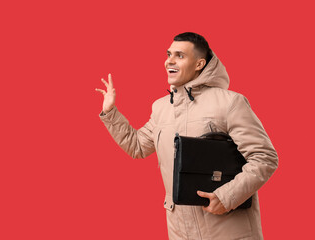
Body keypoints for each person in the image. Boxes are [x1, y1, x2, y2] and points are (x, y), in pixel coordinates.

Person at [95, 32, 278, 240]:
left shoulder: (230, 103)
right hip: (180, 232)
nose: (169, 61)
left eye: (180, 55)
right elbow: (137, 146)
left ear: (199, 64)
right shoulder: (161, 107)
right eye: (168, 54)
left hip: (228, 231)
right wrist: (110, 112)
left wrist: (226, 197)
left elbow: (264, 158)